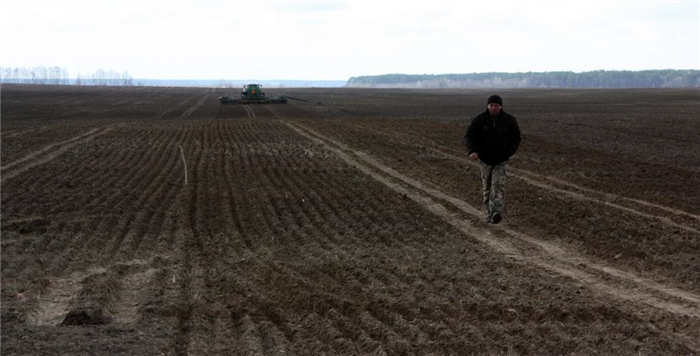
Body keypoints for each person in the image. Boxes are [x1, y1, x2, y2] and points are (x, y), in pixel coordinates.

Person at [464, 95, 521, 224]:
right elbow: (469, 136)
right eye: (491, 105)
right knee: (487, 188)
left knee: (498, 186)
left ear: (500, 106)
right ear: (488, 106)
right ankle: (489, 213)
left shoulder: (509, 120)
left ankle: (496, 213)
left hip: (501, 160)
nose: (494, 108)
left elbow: (516, 138)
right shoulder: (479, 120)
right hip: (485, 160)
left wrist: (509, 151)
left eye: (496, 105)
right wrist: (473, 150)